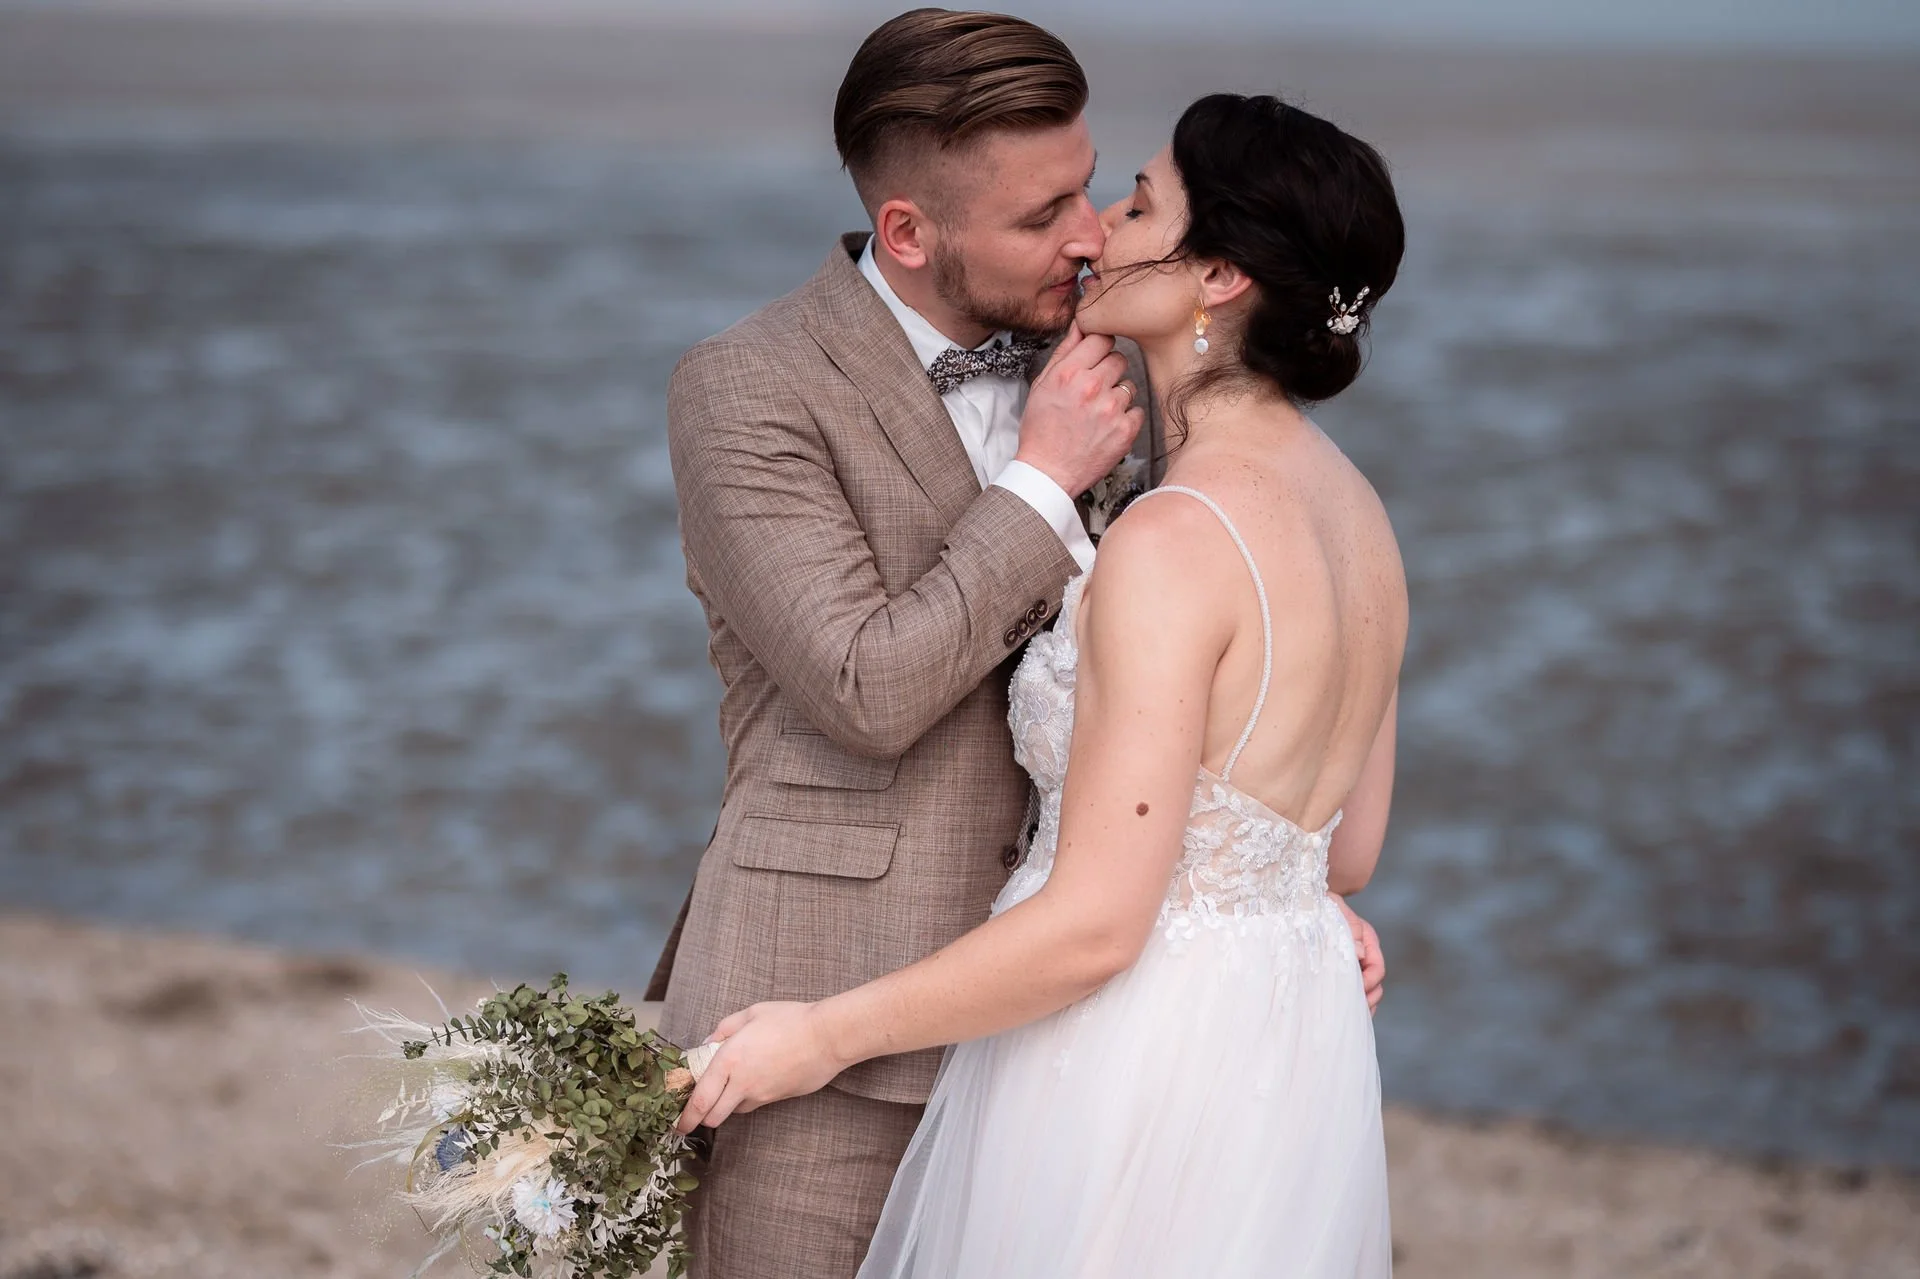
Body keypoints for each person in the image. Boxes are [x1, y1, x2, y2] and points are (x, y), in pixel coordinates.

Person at [675, 89, 1409, 1278]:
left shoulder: (1173, 534)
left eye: (1137, 201)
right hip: (1269, 1059)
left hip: (1111, 1065)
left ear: (1218, 275)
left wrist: (820, 1034)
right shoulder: (1362, 518)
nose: (1099, 230)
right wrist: (1267, 896)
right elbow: (1346, 847)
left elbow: (1101, 922)